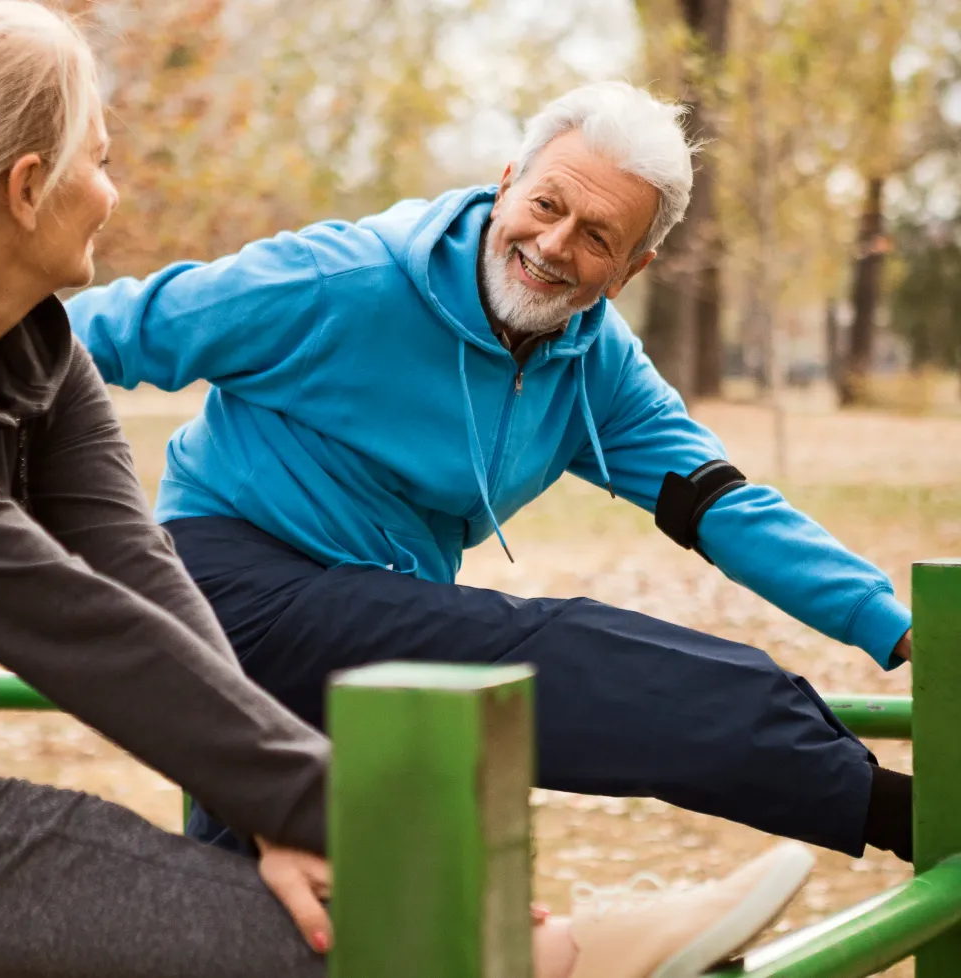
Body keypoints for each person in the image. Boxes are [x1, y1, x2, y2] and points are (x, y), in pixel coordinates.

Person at [0, 4, 823, 977]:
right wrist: (357, 835)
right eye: (99, 156)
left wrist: (267, 809)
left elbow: (141, 584)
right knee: (36, 848)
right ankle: (523, 953)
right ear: (26, 185)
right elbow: (56, 616)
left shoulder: (36, 361)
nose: (117, 186)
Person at [66, 81, 916, 865]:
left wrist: (896, 628)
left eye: (596, 238)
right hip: (231, 593)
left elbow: (721, 504)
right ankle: (891, 811)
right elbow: (110, 328)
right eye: (546, 205)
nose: (552, 245)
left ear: (631, 269)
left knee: (277, 903)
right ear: (508, 183)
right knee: (556, 655)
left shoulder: (596, 367)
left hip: (378, 620)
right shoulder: (343, 280)